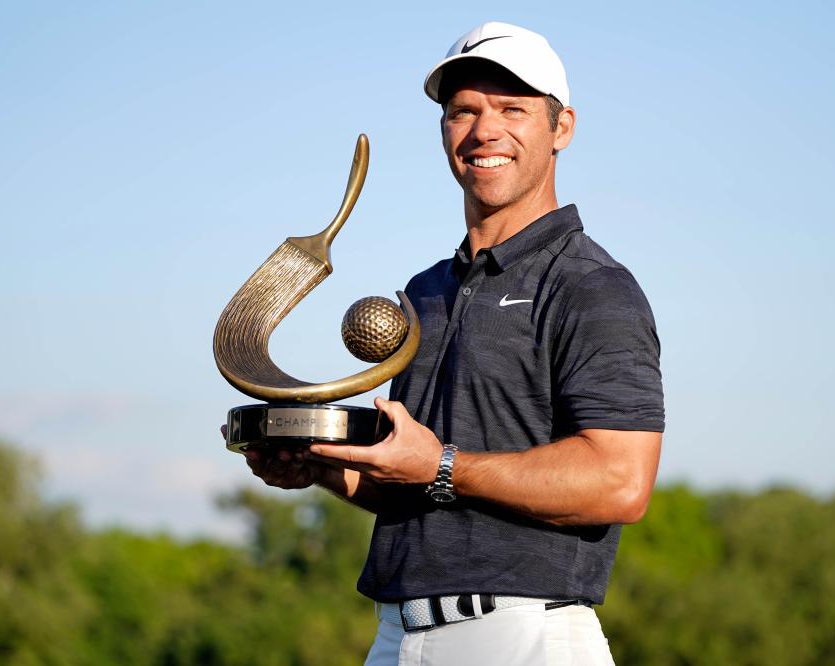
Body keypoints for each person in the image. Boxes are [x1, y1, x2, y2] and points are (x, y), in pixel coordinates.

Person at [236, 22, 664, 665]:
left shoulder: (593, 286)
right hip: (397, 636)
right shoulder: (426, 292)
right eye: (463, 110)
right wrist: (324, 468)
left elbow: (619, 482)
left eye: (512, 109)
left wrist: (440, 465)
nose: (484, 130)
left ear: (562, 128)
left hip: (525, 635)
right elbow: (417, 478)